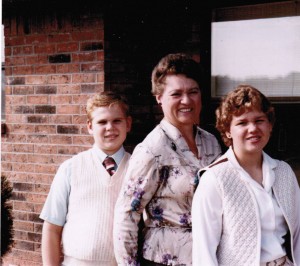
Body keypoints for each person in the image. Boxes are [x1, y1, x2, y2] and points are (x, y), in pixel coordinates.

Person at [113, 53, 221, 266]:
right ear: (159, 97)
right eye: (176, 94)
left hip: (209, 256)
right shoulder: (152, 150)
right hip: (165, 260)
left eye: (193, 92)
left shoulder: (211, 142)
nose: (186, 101)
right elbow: (126, 215)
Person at [192, 85, 300, 265]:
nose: (253, 129)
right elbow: (204, 253)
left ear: (269, 125)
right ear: (227, 130)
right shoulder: (214, 179)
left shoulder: (284, 172)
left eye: (259, 120)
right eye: (242, 123)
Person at [39, 92, 132, 266]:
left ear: (128, 124)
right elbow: (52, 229)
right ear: (90, 126)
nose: (110, 127)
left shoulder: (138, 169)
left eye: (117, 121)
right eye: (102, 122)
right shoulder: (71, 168)